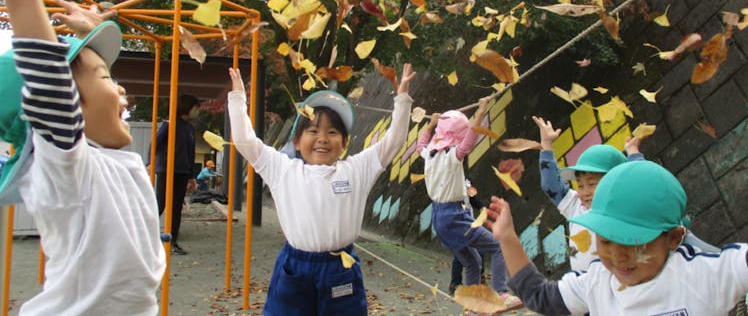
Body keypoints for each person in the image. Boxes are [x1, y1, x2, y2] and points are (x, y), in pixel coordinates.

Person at [0, 0, 165, 314]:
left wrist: (91, 33)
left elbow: (87, 91)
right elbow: (52, 88)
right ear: (64, 108)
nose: (121, 87)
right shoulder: (66, 168)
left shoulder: (109, 159)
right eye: (107, 77)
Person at [486, 160, 748, 315]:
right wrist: (508, 238)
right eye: (606, 240)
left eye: (635, 243)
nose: (618, 257)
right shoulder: (596, 280)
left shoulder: (704, 273)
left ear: (674, 238)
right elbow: (542, 297)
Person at [227, 63, 416, 316]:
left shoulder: (357, 170)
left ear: (344, 142)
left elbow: (394, 141)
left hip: (340, 269)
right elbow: (244, 141)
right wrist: (239, 98)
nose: (322, 139)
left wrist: (402, 99)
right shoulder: (282, 169)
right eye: (313, 131)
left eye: (332, 132)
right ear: (297, 140)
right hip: (295, 267)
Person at [416, 98, 522, 309]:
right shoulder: (452, 156)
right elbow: (469, 142)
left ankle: (471, 308)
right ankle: (500, 293)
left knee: (473, 261)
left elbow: (420, 144)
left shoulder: (429, 154)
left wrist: (429, 125)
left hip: (439, 218)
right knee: (499, 246)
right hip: (454, 215)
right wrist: (481, 111)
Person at [534, 116, 642, 271]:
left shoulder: (621, 205)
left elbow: (642, 182)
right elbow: (550, 184)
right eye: (580, 185)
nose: (584, 192)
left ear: (614, 182)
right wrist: (546, 144)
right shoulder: (576, 208)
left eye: (591, 184)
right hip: (587, 289)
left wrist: (633, 153)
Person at [153, 93, 199, 255]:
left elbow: (190, 153)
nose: (196, 111)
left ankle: (172, 241)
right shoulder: (169, 124)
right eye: (195, 108)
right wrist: (150, 163)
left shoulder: (190, 128)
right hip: (167, 170)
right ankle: (143, 236)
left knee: (176, 207)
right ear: (187, 107)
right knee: (160, 203)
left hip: (182, 171)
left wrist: (191, 177)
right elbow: (155, 144)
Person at [448, 179, 486, 295]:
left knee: (478, 250)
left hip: (470, 223)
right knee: (463, 253)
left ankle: (474, 282)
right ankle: (456, 283)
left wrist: (482, 207)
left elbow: (473, 199)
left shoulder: (467, 181)